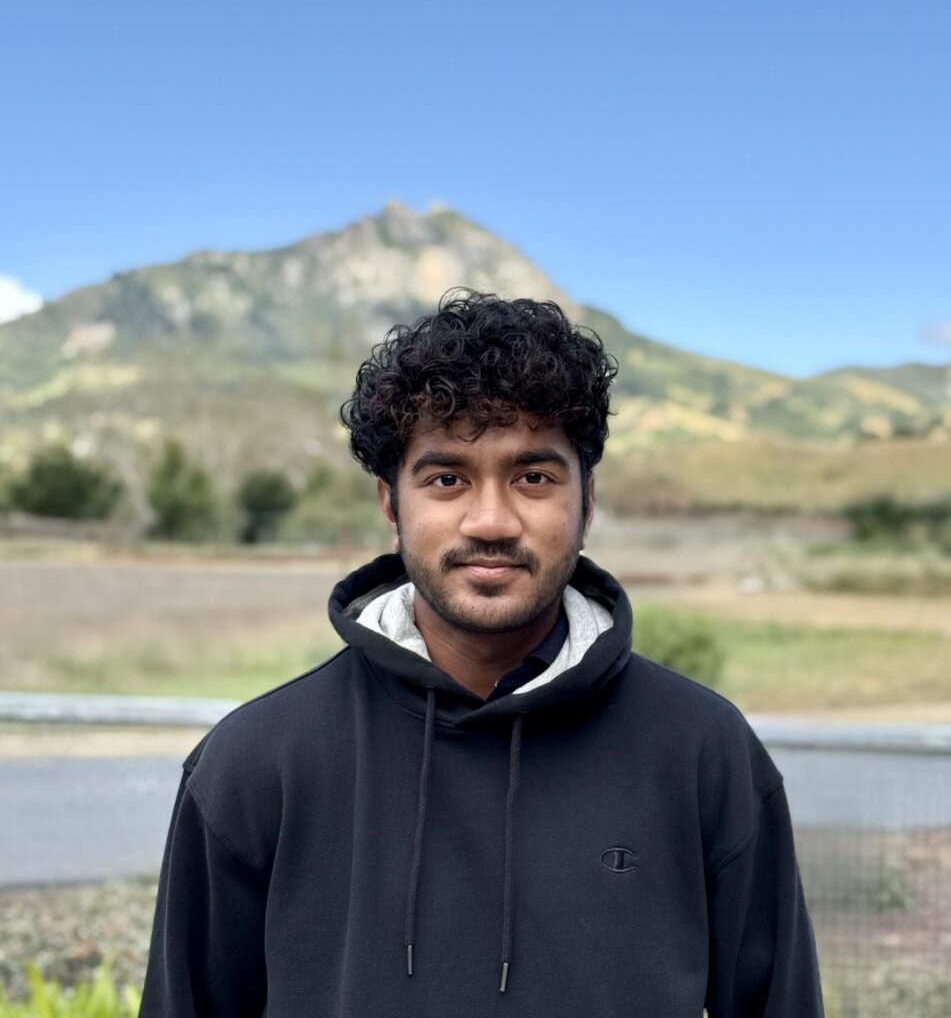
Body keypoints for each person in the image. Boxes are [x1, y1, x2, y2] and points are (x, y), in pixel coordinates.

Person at [140, 291, 824, 1017]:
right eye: (447, 479)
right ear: (390, 504)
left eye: (533, 477)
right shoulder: (255, 764)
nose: (491, 521)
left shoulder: (702, 751)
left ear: (586, 503)